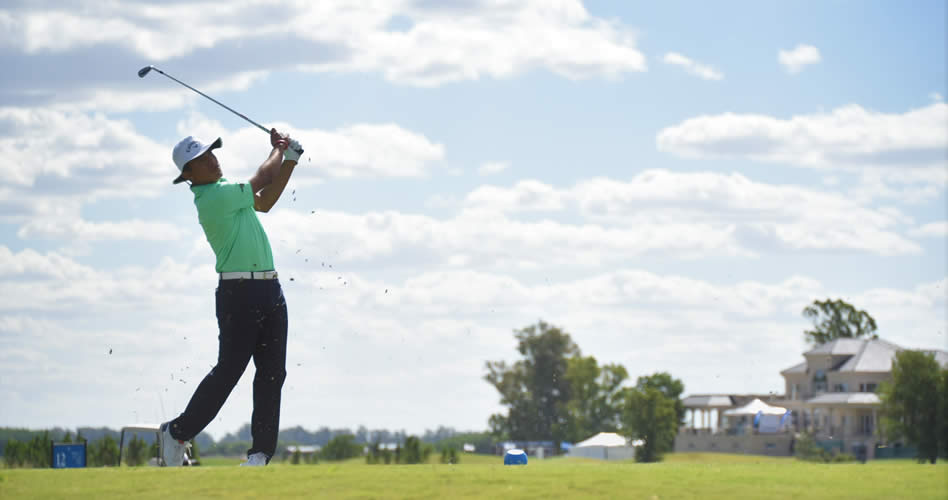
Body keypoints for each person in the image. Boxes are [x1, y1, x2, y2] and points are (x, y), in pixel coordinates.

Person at [158, 129, 302, 467]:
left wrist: (290, 160)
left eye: (212, 153)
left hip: (270, 288)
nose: (212, 159)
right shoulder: (213, 196)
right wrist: (280, 148)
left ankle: (260, 454)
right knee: (230, 371)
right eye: (202, 159)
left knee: (272, 373)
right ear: (189, 175)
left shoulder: (230, 194)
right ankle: (177, 431)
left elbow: (264, 202)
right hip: (239, 293)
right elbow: (265, 176)